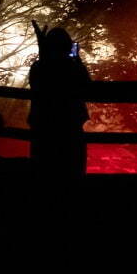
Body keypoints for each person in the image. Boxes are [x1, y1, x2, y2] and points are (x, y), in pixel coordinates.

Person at [28, 24, 91, 188]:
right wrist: (77, 58)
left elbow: (37, 82)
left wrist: (44, 55)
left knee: (43, 176)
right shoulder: (73, 67)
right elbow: (87, 86)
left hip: (42, 131)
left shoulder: (38, 68)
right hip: (70, 131)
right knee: (72, 176)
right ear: (68, 46)